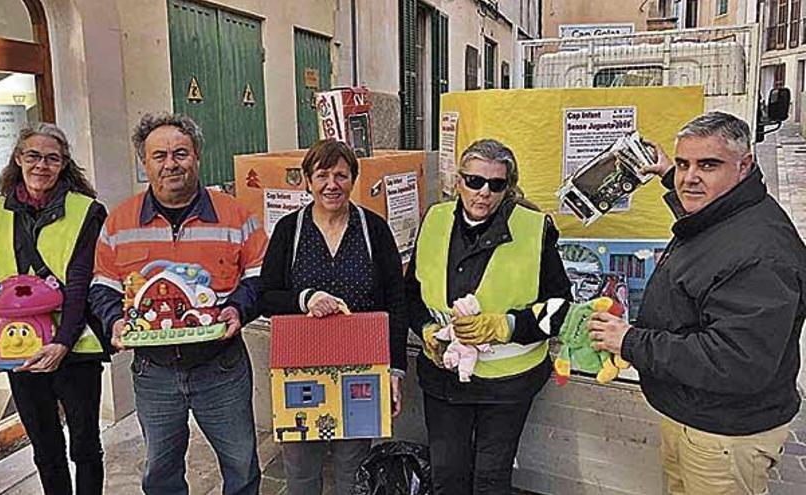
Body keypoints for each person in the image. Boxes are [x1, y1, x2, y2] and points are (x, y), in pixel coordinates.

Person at [589, 111, 806, 495]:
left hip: (723, 434)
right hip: (696, 415)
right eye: (685, 163)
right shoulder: (730, 213)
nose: (690, 177)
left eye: (708, 164)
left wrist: (629, 341)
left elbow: (736, 361)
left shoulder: (761, 254)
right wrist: (667, 174)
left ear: (744, 166)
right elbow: (710, 231)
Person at [88, 113, 267, 494]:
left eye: (180, 153)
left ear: (197, 156)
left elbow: (258, 275)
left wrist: (237, 308)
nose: (171, 163)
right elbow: (101, 286)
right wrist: (114, 323)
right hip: (154, 373)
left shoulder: (236, 215)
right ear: (145, 163)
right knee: (160, 472)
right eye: (159, 155)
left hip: (221, 367)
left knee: (242, 466)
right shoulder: (119, 222)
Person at [405, 139, 572, 495]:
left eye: (496, 184)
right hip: (445, 378)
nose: (484, 193)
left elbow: (559, 306)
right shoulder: (434, 219)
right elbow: (411, 293)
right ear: (458, 181)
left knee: (490, 480)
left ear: (508, 187)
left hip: (508, 386)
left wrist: (507, 325)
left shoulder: (533, 228)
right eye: (475, 181)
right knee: (448, 476)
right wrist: (427, 331)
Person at [258, 139, 408, 495]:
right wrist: (305, 298)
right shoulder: (289, 231)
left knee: (352, 470)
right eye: (322, 174)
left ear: (353, 179)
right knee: (301, 471)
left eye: (341, 175)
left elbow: (395, 302)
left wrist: (395, 369)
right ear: (308, 180)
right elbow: (264, 297)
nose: (331, 184)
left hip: (360, 369)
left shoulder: (373, 229)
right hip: (300, 369)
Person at [0, 123, 109, 495]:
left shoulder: (85, 212)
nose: (41, 165)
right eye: (33, 156)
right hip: (19, 347)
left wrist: (62, 343)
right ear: (18, 158)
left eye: (52, 158)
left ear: (64, 165)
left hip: (75, 348)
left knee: (85, 445)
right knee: (46, 448)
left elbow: (81, 285)